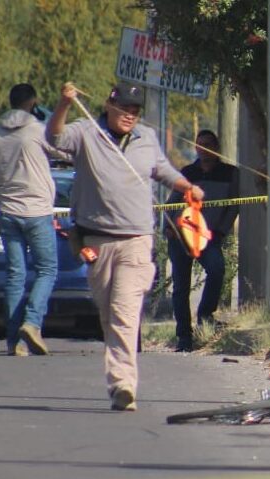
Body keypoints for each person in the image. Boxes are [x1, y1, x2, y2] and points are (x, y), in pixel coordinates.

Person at [46, 82, 204, 412]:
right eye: (124, 109)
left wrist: (186, 186)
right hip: (96, 242)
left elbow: (161, 170)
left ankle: (123, 384)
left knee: (124, 312)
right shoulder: (86, 131)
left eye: (135, 111)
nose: (130, 116)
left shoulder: (146, 138)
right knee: (108, 312)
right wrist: (63, 104)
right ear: (108, 105)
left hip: (137, 241)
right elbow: (54, 139)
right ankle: (119, 378)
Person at [0, 83, 61, 357]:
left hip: (8, 212)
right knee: (47, 269)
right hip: (37, 210)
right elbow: (62, 150)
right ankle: (32, 323)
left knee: (15, 275)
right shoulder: (38, 130)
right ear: (33, 103)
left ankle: (15, 342)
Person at [165, 130, 239, 352]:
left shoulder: (230, 173)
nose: (204, 149)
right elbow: (171, 203)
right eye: (200, 145)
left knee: (217, 270)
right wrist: (168, 227)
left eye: (209, 145)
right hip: (181, 237)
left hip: (209, 237)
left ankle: (205, 316)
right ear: (195, 148)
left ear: (216, 148)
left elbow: (234, 205)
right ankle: (184, 337)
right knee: (181, 287)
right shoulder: (187, 173)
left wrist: (222, 231)